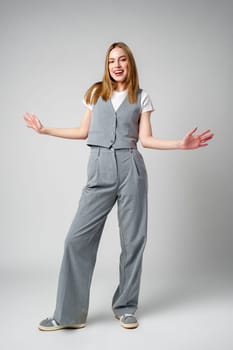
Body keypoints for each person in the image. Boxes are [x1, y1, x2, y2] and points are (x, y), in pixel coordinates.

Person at [23, 42, 214, 331]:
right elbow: (82, 131)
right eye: (112, 60)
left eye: (122, 59)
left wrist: (181, 144)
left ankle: (125, 307)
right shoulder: (95, 93)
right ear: (107, 65)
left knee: (133, 240)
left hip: (131, 168)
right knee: (76, 239)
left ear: (130, 63)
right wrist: (45, 129)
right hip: (99, 168)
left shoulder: (142, 97)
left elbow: (147, 139)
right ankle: (68, 314)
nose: (117, 65)